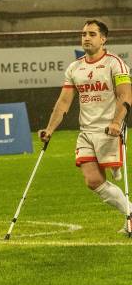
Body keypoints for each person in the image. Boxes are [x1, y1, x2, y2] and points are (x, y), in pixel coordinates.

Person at [40, 19, 132, 233]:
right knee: (92, 180)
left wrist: (117, 121)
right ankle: (129, 211)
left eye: (91, 34)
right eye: (83, 34)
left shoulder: (115, 63)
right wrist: (50, 128)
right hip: (87, 132)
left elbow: (125, 95)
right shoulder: (75, 67)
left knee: (111, 173)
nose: (86, 38)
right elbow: (63, 102)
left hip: (110, 129)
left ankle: (114, 167)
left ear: (103, 38)